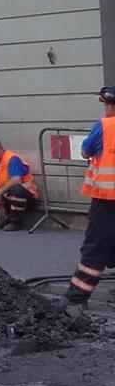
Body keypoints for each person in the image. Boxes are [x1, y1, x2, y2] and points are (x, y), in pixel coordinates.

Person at [63, 86, 115, 310]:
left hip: (108, 198)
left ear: (110, 105)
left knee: (96, 246)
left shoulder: (105, 126)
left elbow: (86, 151)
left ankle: (76, 297)